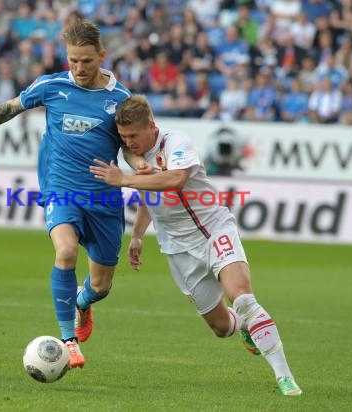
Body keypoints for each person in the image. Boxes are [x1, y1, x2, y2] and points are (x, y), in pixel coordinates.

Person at [0, 20, 142, 369]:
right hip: (61, 190)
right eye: (73, 61)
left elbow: (128, 144)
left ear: (102, 56)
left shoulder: (119, 98)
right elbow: (9, 107)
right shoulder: (52, 86)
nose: (79, 69)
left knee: (101, 285)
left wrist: (137, 164)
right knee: (65, 252)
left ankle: (83, 302)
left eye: (87, 61)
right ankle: (68, 341)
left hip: (104, 199)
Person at [89, 95, 303, 396]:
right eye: (123, 137)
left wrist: (123, 179)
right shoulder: (130, 155)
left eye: (133, 135)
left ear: (152, 126)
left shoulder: (177, 142)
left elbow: (175, 179)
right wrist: (137, 234)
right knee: (220, 327)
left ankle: (285, 377)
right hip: (177, 249)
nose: (128, 142)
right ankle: (245, 325)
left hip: (214, 230)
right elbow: (149, 192)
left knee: (241, 296)